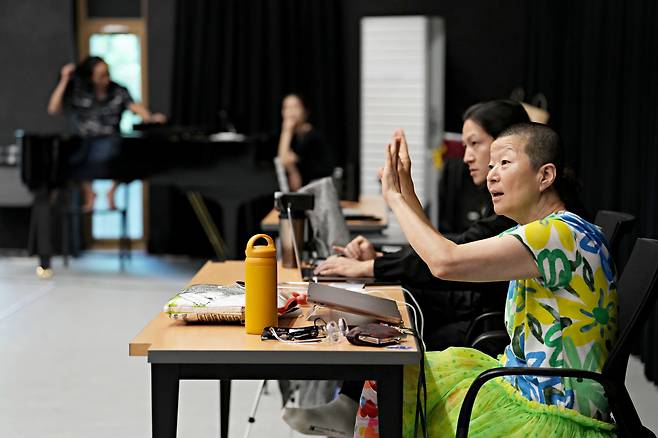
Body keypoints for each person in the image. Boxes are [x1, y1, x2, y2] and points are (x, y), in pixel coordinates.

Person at [282, 100, 529, 437]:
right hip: (478, 308)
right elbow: (446, 247)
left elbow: (447, 259)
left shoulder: (534, 223)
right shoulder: (510, 209)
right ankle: (351, 406)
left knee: (399, 317)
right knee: (396, 302)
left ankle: (362, 411)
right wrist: (383, 248)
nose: (469, 157)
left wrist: (392, 212)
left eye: (476, 145)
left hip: (486, 323)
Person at [355, 123, 617, 437]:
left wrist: (396, 200)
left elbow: (444, 262)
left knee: (398, 389)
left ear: (545, 176)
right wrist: (405, 191)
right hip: (520, 384)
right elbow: (445, 252)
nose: (492, 174)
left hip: (553, 412)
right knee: (396, 379)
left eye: (504, 163)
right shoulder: (541, 233)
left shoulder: (560, 234)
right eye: (491, 166)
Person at [47, 56, 166, 211]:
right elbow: (54, 109)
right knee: (66, 155)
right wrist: (65, 79)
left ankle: (112, 192)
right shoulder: (79, 92)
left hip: (112, 143)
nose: (107, 79)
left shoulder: (118, 90)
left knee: (129, 151)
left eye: (107, 73)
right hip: (84, 144)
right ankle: (90, 193)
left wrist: (150, 117)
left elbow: (136, 107)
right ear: (91, 77)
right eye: (101, 75)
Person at [277, 93, 335, 191]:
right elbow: (283, 162)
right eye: (286, 107)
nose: (291, 111)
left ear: (305, 111)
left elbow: (284, 160)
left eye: (295, 106)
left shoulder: (312, 137)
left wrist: (286, 130)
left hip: (319, 191)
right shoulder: (293, 137)